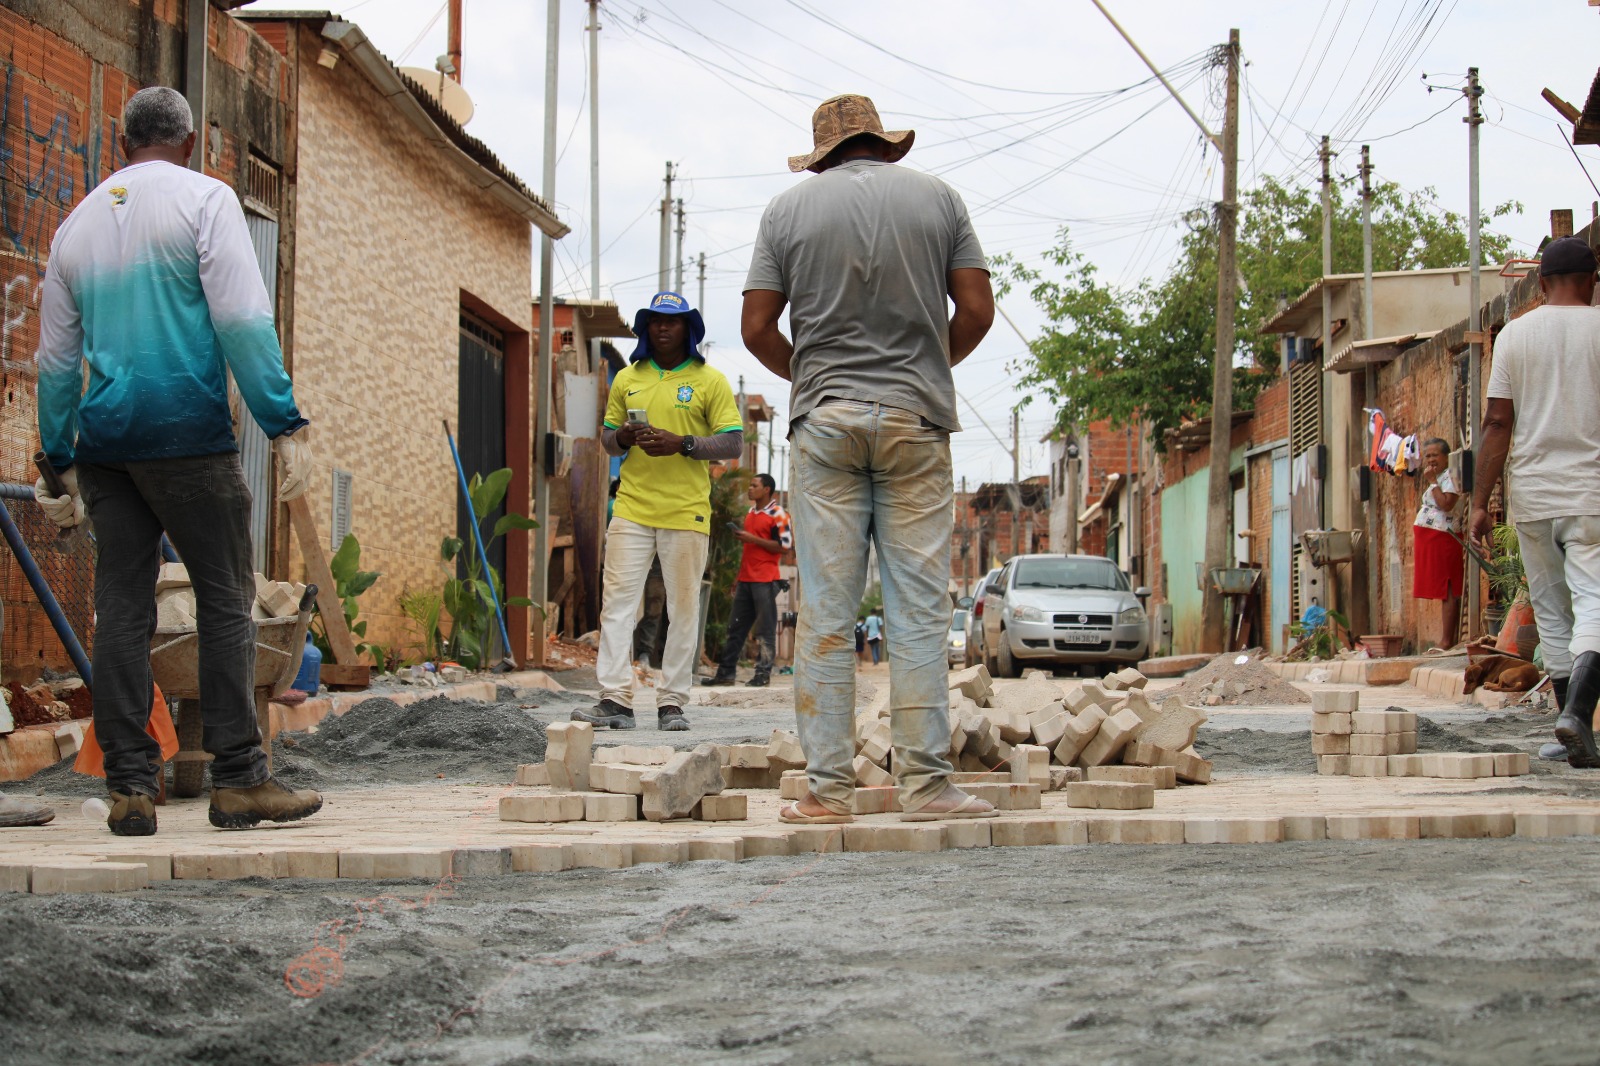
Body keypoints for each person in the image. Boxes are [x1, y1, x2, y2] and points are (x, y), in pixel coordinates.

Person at [33, 87, 323, 834]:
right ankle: (238, 780)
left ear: (118, 140)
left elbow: (57, 366)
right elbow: (241, 320)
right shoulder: (207, 200)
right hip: (188, 436)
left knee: (121, 609)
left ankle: (131, 786)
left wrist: (55, 461)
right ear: (191, 143)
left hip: (105, 450)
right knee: (226, 597)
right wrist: (282, 422)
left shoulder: (75, 227)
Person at [741, 93, 997, 823]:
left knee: (826, 609)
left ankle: (827, 794)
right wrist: (923, 369)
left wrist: (817, 379)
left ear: (823, 155)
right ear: (884, 146)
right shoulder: (939, 199)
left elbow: (756, 325)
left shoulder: (786, 211)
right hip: (916, 421)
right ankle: (927, 788)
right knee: (917, 611)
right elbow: (976, 309)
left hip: (824, 425)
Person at [573, 292, 743, 732]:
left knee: (682, 610)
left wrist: (682, 443)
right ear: (645, 328)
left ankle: (672, 703)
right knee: (618, 605)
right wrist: (626, 438)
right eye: (655, 321)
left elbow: (732, 441)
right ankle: (615, 699)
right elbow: (607, 438)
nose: (663, 328)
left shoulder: (711, 381)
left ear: (688, 329)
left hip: (686, 511)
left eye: (673, 322)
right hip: (631, 506)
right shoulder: (628, 378)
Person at [1470, 235, 1600, 769]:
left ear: (1541, 283)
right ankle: (1577, 715)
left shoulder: (1514, 337)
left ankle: (1575, 732)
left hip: (1533, 495)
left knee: (1551, 608)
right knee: (1594, 600)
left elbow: (1497, 422)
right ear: (1593, 282)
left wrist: (1480, 502)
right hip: (1591, 492)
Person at [705, 473, 792, 687]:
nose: (750, 489)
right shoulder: (750, 513)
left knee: (765, 629)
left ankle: (762, 675)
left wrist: (752, 538)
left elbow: (786, 546)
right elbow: (749, 551)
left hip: (766, 579)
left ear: (767, 490)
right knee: (735, 628)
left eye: (754, 485)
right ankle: (725, 674)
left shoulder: (779, 514)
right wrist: (738, 577)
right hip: (746, 579)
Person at [1413, 438, 1463, 649]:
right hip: (1433, 538)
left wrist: (1433, 482)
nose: (1431, 460)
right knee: (1443, 588)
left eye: (1435, 455)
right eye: (1428, 456)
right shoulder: (1439, 477)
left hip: (1444, 537)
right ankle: (1445, 639)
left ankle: (1447, 640)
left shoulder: (1448, 478)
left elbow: (1446, 504)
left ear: (1446, 456)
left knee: (1449, 587)